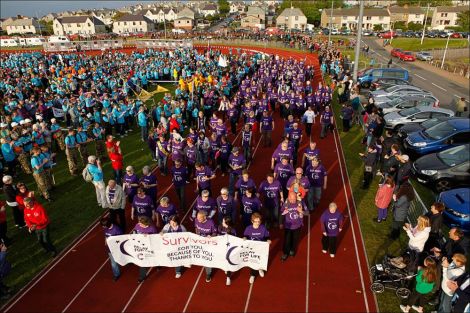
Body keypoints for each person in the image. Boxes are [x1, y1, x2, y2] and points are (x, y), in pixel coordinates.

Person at [243, 212, 271, 284]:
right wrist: (244, 238)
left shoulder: (263, 228)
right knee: (253, 261)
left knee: (261, 259)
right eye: (256, 221)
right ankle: (252, 275)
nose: (258, 223)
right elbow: (245, 236)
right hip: (251, 249)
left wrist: (268, 240)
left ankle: (260, 269)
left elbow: (267, 237)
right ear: (252, 221)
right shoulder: (248, 228)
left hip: (261, 248)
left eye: (259, 221)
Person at [280, 192, 306, 261]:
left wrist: (301, 211)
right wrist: (281, 223)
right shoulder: (286, 203)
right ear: (288, 198)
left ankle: (292, 250)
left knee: (295, 240)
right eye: (291, 199)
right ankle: (285, 253)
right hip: (288, 226)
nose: (292, 201)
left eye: (294, 199)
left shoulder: (300, 203)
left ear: (296, 198)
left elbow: (307, 212)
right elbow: (282, 213)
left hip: (297, 226)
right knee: (287, 240)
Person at [132, 216, 158, 283]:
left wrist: (149, 236)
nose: (139, 224)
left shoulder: (152, 228)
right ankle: (142, 277)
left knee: (153, 257)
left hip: (150, 247)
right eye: (139, 222)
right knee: (142, 262)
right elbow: (135, 231)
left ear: (145, 224)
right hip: (141, 248)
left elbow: (156, 238)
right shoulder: (137, 225)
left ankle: (158, 264)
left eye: (141, 223)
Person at [194, 210, 217, 283]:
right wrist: (197, 235)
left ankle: (208, 274)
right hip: (200, 242)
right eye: (197, 217)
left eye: (200, 218)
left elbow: (215, 232)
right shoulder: (196, 220)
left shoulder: (211, 222)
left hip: (209, 243)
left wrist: (211, 236)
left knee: (207, 258)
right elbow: (196, 228)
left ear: (205, 217)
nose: (198, 219)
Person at [100, 216, 123, 282]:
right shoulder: (105, 228)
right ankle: (116, 274)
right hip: (110, 249)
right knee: (113, 263)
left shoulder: (117, 229)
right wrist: (105, 242)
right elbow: (106, 235)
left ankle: (128, 261)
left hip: (117, 248)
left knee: (121, 257)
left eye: (103, 226)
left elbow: (121, 239)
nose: (102, 227)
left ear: (107, 225)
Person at [217, 215, 236, 286]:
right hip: (222, 247)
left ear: (227, 223)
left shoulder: (232, 229)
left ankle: (228, 277)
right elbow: (218, 235)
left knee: (228, 261)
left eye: (223, 222)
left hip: (229, 248)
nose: (222, 222)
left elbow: (234, 234)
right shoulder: (220, 227)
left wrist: (227, 227)